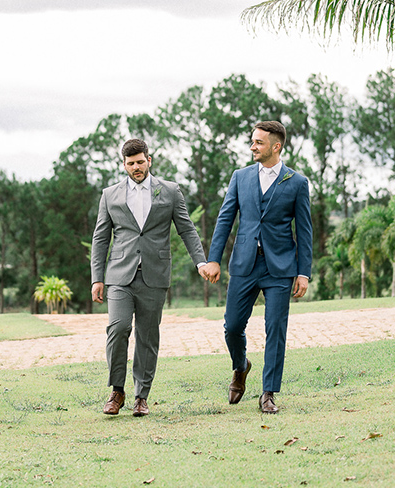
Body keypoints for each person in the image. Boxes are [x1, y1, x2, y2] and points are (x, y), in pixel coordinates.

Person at [90, 138, 210, 417]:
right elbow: (100, 238)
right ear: (123, 165)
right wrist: (97, 277)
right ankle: (116, 391)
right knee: (118, 328)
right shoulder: (110, 195)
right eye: (130, 163)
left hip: (155, 275)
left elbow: (187, 229)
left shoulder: (169, 191)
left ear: (149, 160)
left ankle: (141, 396)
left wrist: (200, 261)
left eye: (140, 162)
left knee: (148, 336)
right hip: (120, 274)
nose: (136, 167)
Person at [203, 120, 312, 414]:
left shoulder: (297, 182)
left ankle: (268, 392)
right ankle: (241, 366)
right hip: (244, 263)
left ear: (276, 146)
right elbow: (225, 219)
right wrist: (213, 258)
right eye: (252, 142)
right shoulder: (240, 177)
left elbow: (304, 230)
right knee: (232, 326)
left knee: (275, 328)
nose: (252, 147)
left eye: (258, 142)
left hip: (280, 266)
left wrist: (303, 272)